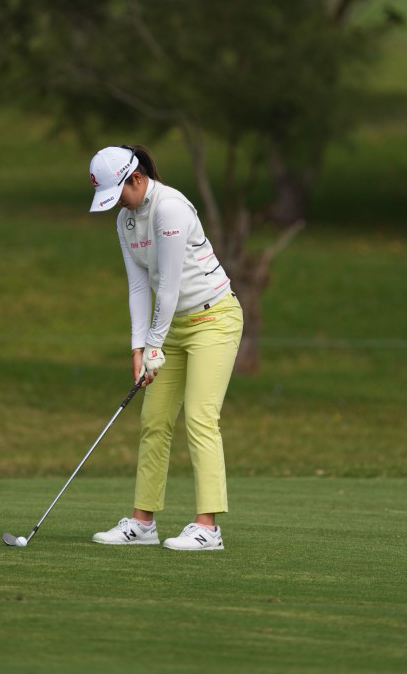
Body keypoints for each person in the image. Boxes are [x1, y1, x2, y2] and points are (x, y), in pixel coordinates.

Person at [88, 144, 243, 551]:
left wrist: (154, 343)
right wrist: (139, 348)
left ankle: (208, 529)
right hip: (170, 326)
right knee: (154, 419)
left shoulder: (170, 208)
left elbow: (170, 285)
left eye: (119, 193)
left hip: (214, 318)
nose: (117, 202)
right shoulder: (125, 220)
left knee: (201, 417)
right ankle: (143, 523)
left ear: (137, 178)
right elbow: (140, 287)